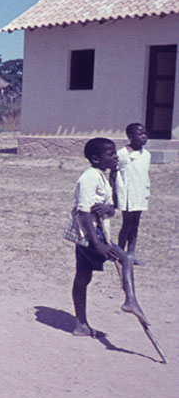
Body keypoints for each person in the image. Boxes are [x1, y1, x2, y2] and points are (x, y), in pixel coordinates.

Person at [67, 137, 147, 338]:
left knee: (83, 277)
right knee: (125, 258)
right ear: (96, 158)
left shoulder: (104, 177)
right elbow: (83, 213)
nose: (115, 157)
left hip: (96, 234)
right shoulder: (89, 177)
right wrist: (99, 245)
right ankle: (131, 300)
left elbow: (111, 209)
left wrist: (108, 209)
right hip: (92, 236)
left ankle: (81, 325)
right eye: (110, 154)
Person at [114, 123, 151, 265]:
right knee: (127, 225)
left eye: (145, 134)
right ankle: (120, 253)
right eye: (140, 134)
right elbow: (114, 173)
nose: (144, 137)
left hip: (140, 193)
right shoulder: (122, 154)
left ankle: (131, 254)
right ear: (130, 137)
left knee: (136, 225)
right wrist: (114, 194)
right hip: (127, 194)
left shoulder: (146, 155)